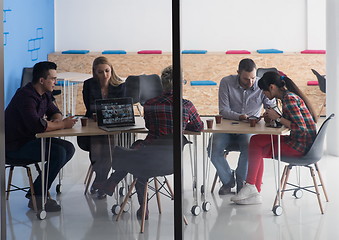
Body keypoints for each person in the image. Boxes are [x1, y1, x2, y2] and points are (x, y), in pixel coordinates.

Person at [98, 65, 204, 219]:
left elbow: (149, 125)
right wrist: (182, 122)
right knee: (140, 157)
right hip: (171, 161)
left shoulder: (150, 104)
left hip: (149, 155)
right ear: (180, 84)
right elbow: (198, 127)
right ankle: (115, 185)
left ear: (163, 84)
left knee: (138, 154)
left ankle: (139, 202)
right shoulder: (186, 105)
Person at [231, 71, 317, 205]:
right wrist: (275, 117)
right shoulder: (287, 97)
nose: (263, 94)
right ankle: (254, 190)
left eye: (264, 91)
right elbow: (293, 122)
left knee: (256, 144)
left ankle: (251, 187)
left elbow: (301, 128)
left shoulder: (289, 99)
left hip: (300, 146)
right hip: (300, 142)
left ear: (272, 87)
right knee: (256, 143)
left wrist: (278, 118)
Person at [5, 61, 77, 212]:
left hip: (31, 140)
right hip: (14, 147)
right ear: (42, 80)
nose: (55, 82)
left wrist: (57, 120)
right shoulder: (25, 96)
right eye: (53, 79)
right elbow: (38, 126)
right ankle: (37, 196)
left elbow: (54, 111)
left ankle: (37, 191)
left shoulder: (44, 94)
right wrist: (62, 124)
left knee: (69, 148)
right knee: (59, 153)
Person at [209, 58, 275, 195]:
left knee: (249, 148)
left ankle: (241, 182)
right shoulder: (226, 82)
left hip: (250, 129)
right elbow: (223, 110)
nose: (250, 82)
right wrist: (240, 117)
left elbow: (271, 106)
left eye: (253, 78)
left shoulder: (259, 84)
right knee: (212, 149)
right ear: (238, 73)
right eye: (246, 79)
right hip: (227, 127)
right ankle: (228, 181)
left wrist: (270, 113)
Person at [78, 56, 125, 199]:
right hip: (94, 123)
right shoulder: (88, 85)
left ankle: (99, 181)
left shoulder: (119, 86)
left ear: (111, 70)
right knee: (97, 149)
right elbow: (90, 107)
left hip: (112, 124)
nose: (104, 75)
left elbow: (120, 108)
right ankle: (102, 181)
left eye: (107, 71)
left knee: (110, 148)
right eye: (100, 72)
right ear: (94, 72)